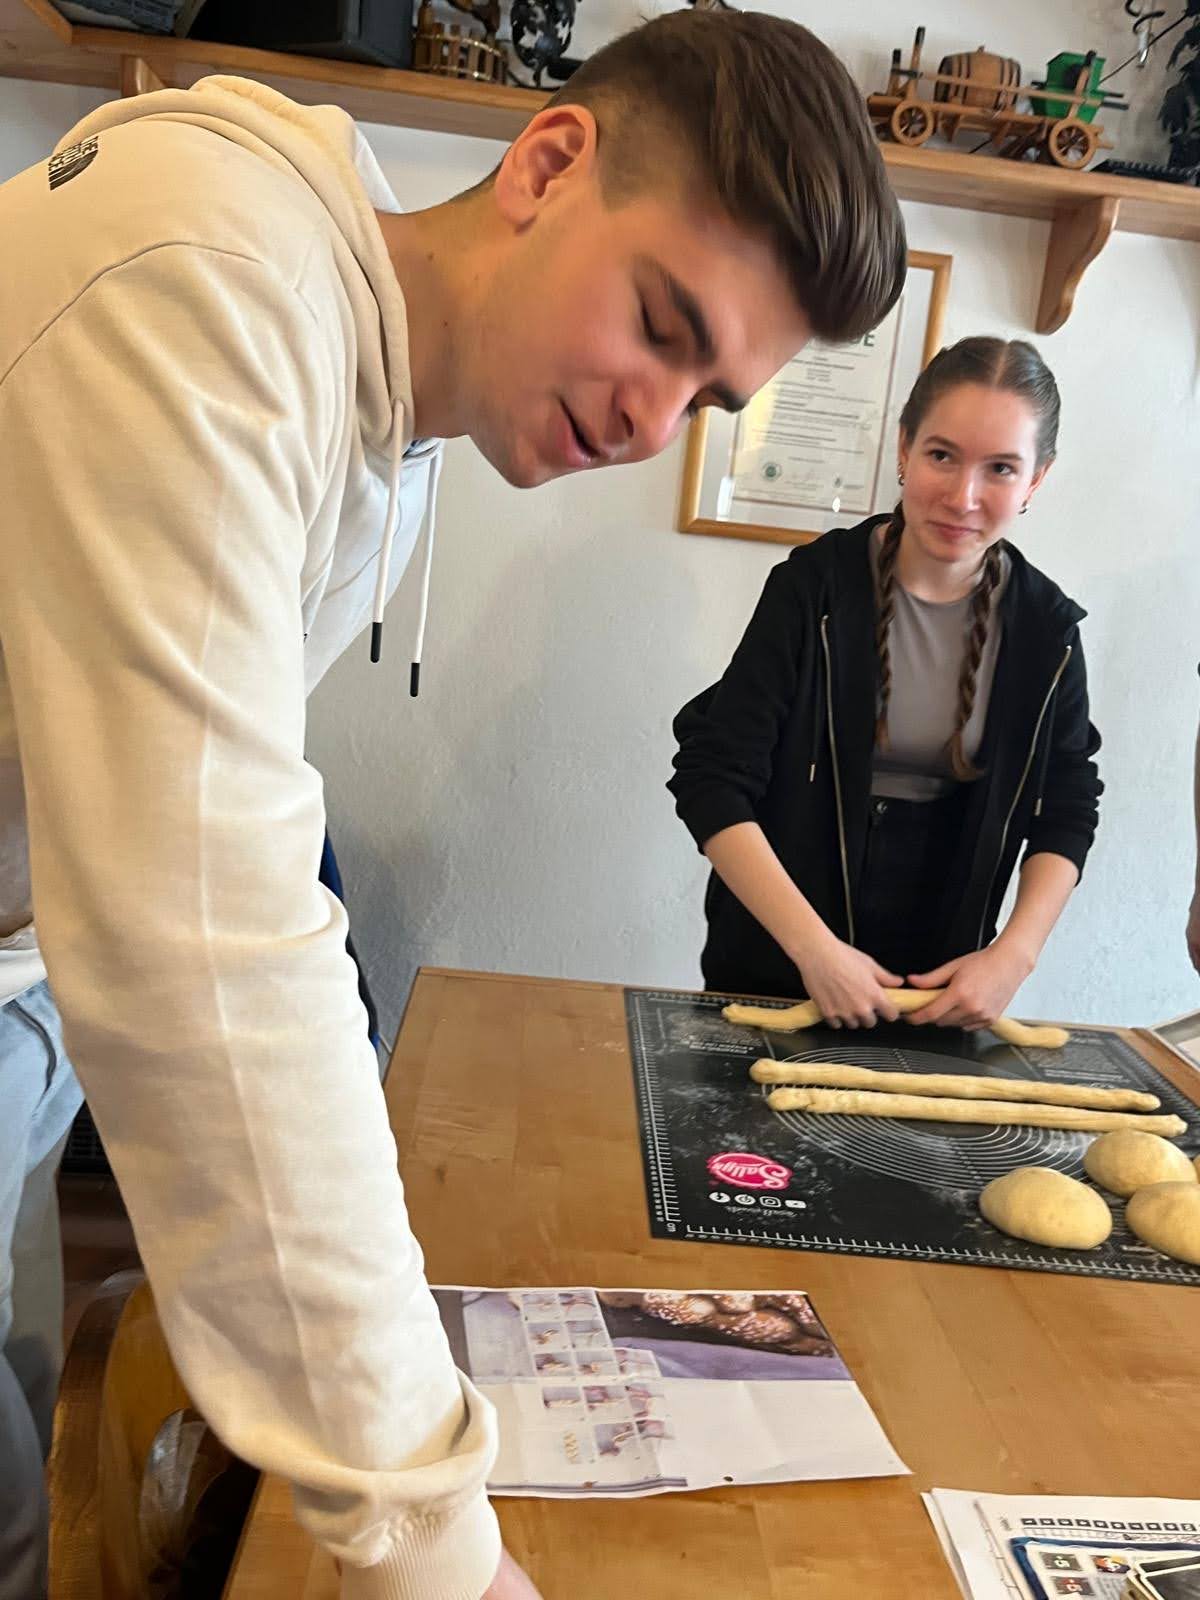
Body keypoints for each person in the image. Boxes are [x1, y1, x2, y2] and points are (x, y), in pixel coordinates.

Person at [0, 11, 905, 1599]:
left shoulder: (381, 410)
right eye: (662, 324)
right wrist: (433, 1546)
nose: (649, 422)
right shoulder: (210, 285)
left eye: (703, 398)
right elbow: (202, 932)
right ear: (548, 165)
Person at [669, 337, 1102, 1033]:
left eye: (1000, 468)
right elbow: (712, 778)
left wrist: (1012, 957)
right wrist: (813, 951)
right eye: (942, 455)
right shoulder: (812, 591)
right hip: (776, 962)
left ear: (1036, 480)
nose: (962, 496)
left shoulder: (1048, 630)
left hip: (940, 987)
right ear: (904, 448)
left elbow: (1068, 805)